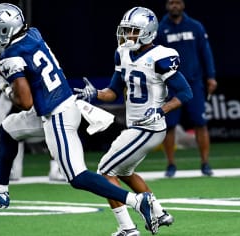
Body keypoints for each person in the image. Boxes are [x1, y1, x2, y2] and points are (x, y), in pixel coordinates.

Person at [0, 3, 159, 233]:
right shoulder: (32, 33)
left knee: (77, 177)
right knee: (8, 128)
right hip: (56, 105)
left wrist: (4, 87)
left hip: (57, 114)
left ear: (7, 29)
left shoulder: (10, 56)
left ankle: (138, 201)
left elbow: (25, 101)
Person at [74, 6, 192, 235]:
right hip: (136, 126)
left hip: (149, 127)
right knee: (124, 170)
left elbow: (186, 93)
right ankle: (159, 213)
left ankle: (127, 228)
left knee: (105, 170)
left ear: (148, 32)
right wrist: (95, 94)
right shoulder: (123, 53)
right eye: (126, 31)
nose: (127, 36)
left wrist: (162, 110)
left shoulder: (160, 57)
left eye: (132, 31)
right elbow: (113, 91)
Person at [154, 0, 218, 177]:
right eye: (171, 3)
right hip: (170, 85)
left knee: (200, 123)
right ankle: (171, 165)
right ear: (167, 5)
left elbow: (206, 52)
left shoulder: (195, 26)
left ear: (183, 5)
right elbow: (152, 56)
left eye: (178, 2)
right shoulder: (159, 29)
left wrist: (211, 76)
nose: (174, 6)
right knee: (169, 125)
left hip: (194, 82)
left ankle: (205, 163)